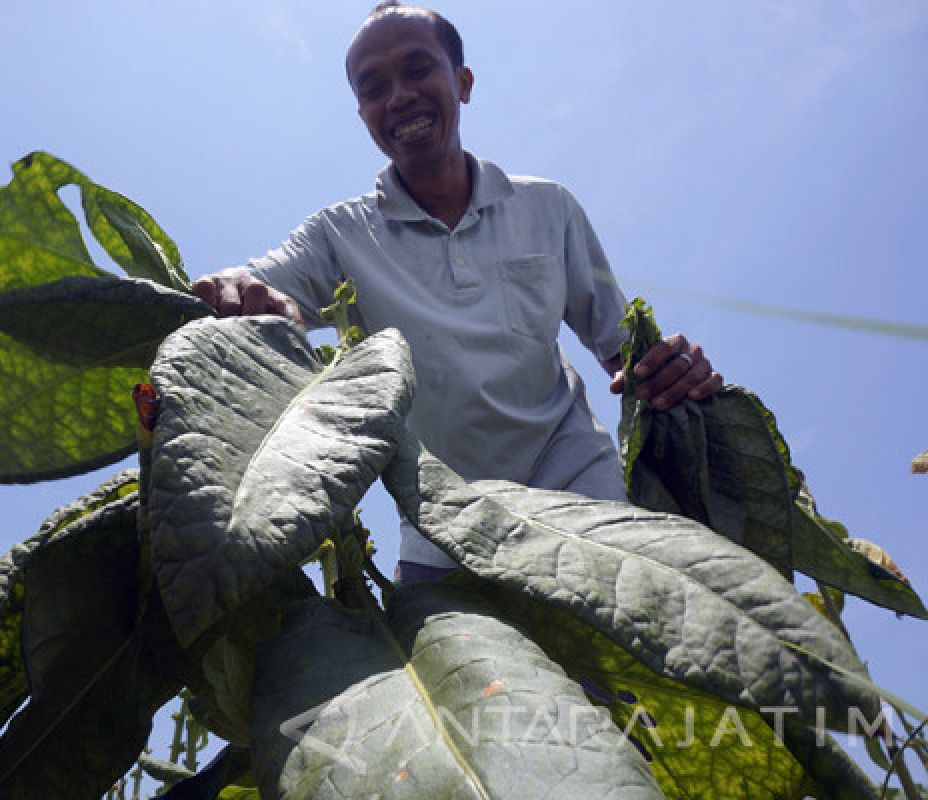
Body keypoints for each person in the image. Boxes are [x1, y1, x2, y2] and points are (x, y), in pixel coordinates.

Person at [193, 2, 723, 582]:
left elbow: (626, 352)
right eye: (373, 88)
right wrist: (237, 292)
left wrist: (674, 371)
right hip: (442, 530)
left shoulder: (549, 207)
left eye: (417, 69)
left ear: (462, 83)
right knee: (463, 672)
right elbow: (259, 284)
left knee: (621, 656)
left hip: (580, 491)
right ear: (364, 113)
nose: (398, 96)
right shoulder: (339, 235)